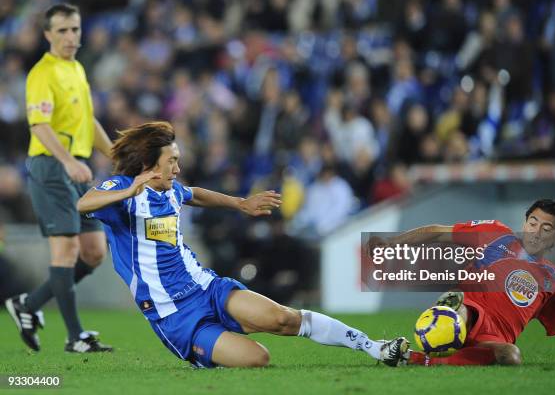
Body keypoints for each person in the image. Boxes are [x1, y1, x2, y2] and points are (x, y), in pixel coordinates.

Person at [76, 121, 407, 368]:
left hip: (207, 288)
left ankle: (374, 347)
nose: (178, 168)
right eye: (171, 161)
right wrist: (127, 190)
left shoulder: (172, 189)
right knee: (257, 359)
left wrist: (241, 204)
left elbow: (197, 194)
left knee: (283, 319)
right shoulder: (121, 189)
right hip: (174, 315)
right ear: (149, 163)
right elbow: (85, 203)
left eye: (178, 160)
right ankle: (207, 347)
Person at [370, 199, 555, 366]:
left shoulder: (554, 278)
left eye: (546, 228)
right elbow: (436, 231)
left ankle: (415, 357)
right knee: (458, 309)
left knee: (511, 356)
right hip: (468, 310)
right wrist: (391, 244)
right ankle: (446, 318)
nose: (535, 232)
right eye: (533, 222)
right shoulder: (496, 234)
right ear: (525, 222)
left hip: (494, 339)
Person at [4, 3, 113, 353]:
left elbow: (89, 121)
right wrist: (67, 162)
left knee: (94, 252)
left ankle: (29, 304)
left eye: (75, 29)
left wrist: (117, 157)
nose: (70, 36)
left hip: (78, 166)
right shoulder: (42, 73)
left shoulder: (77, 69)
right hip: (52, 167)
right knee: (66, 249)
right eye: (63, 30)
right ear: (48, 34)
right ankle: (75, 337)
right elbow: (39, 125)